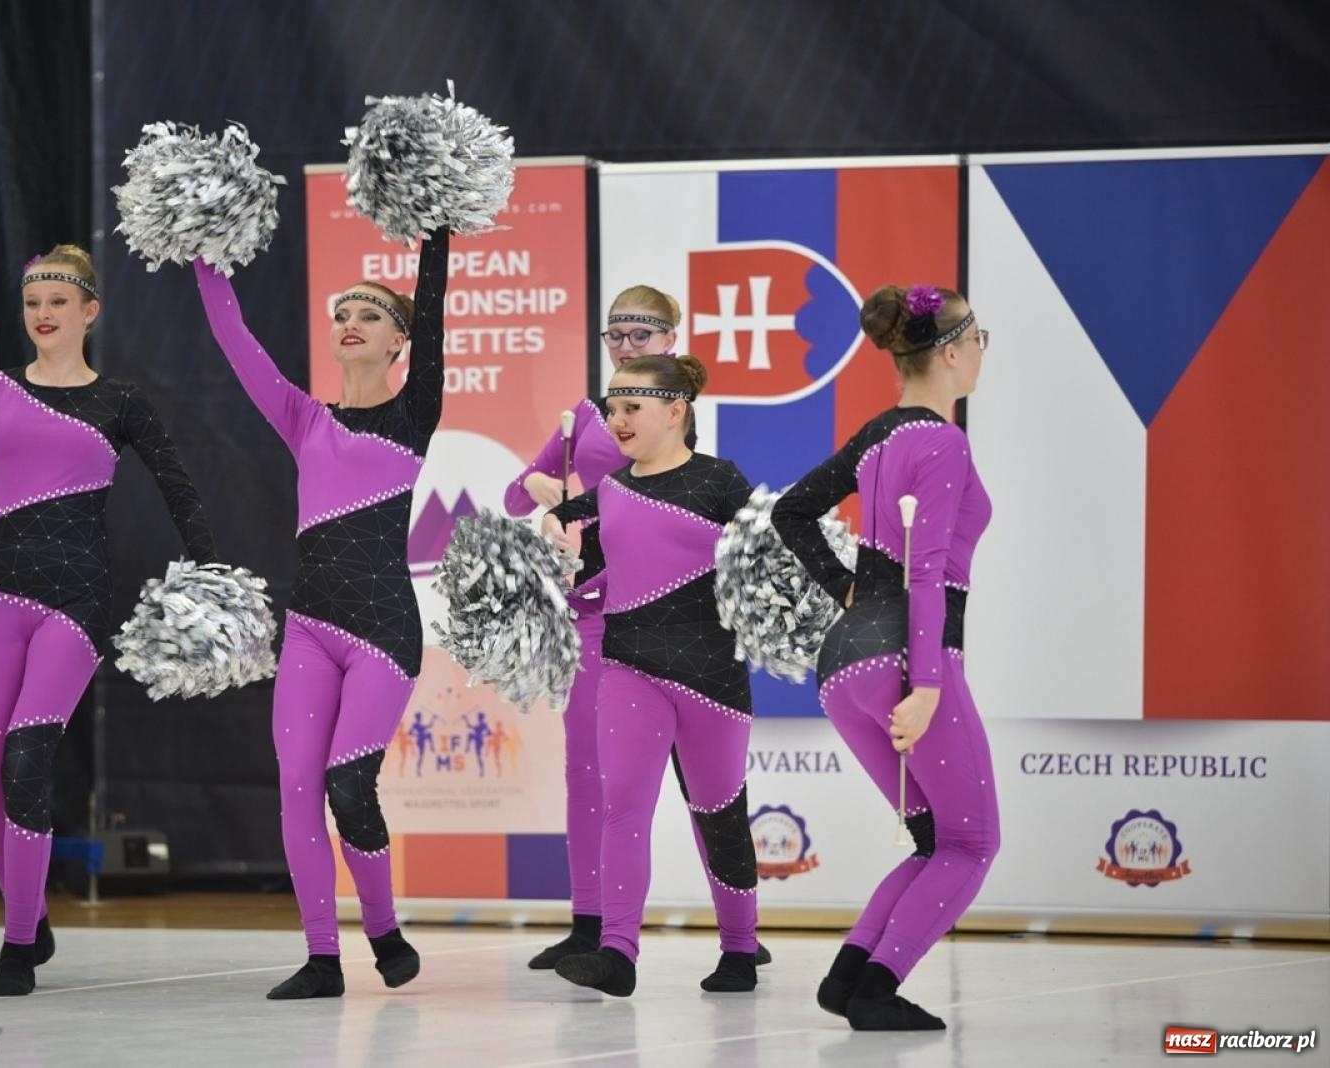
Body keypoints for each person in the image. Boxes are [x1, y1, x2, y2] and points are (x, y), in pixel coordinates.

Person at [0, 244, 218, 997]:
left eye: (58, 303)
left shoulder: (121, 402)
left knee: (27, 762)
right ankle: (31, 916)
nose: (42, 314)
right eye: (33, 302)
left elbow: (179, 487)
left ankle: (14, 949)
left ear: (89, 312)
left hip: (77, 600)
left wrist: (210, 570)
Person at [192, 226, 450, 999]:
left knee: (348, 786)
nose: (351, 322)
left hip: (382, 631)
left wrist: (435, 228)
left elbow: (435, 308)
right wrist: (202, 247)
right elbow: (235, 339)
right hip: (308, 625)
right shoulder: (305, 418)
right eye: (345, 312)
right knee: (297, 789)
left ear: (400, 342)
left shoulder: (413, 416)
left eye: (371, 315)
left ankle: (383, 929)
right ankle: (321, 959)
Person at [506, 287, 771, 971]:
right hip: (617, 644)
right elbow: (558, 530)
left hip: (701, 659)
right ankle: (609, 942)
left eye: (641, 334)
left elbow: (756, 556)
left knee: (716, 807)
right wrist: (554, 539)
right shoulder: (599, 457)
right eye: (613, 335)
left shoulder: (707, 469)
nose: (617, 418)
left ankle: (740, 945)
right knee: (609, 792)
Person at [771, 284, 998, 1031]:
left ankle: (849, 978)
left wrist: (844, 591)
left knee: (936, 838)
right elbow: (925, 571)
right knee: (971, 841)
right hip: (906, 655)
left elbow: (791, 510)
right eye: (981, 338)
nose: (983, 353)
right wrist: (928, 683)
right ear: (954, 349)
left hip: (844, 664)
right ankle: (876, 989)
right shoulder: (942, 440)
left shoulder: (877, 436)